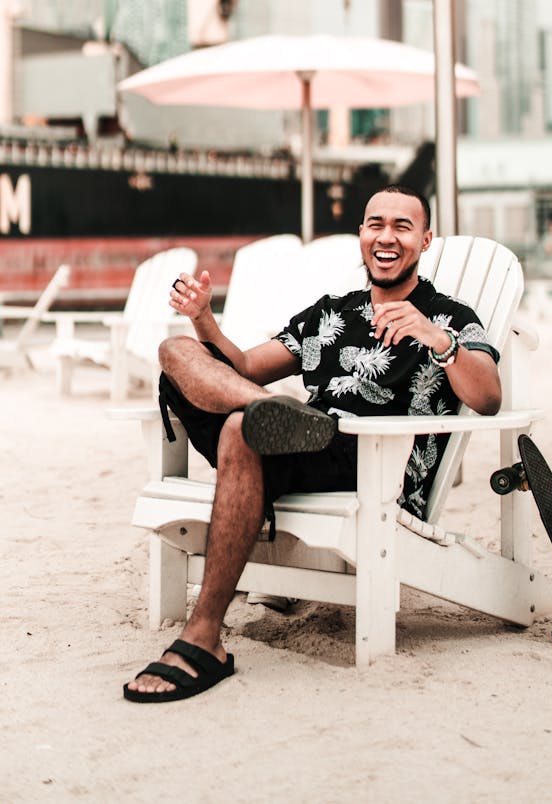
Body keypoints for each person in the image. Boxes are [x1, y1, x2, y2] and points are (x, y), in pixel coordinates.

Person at [124, 185, 501, 702]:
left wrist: (438, 339)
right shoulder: (332, 312)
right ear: (361, 234)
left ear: (426, 240)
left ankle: (203, 637)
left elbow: (488, 398)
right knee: (176, 348)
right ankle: (273, 414)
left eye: (402, 226)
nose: (386, 237)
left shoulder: (450, 317)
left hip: (366, 463)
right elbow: (247, 367)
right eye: (375, 224)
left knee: (241, 429)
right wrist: (204, 318)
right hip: (295, 441)